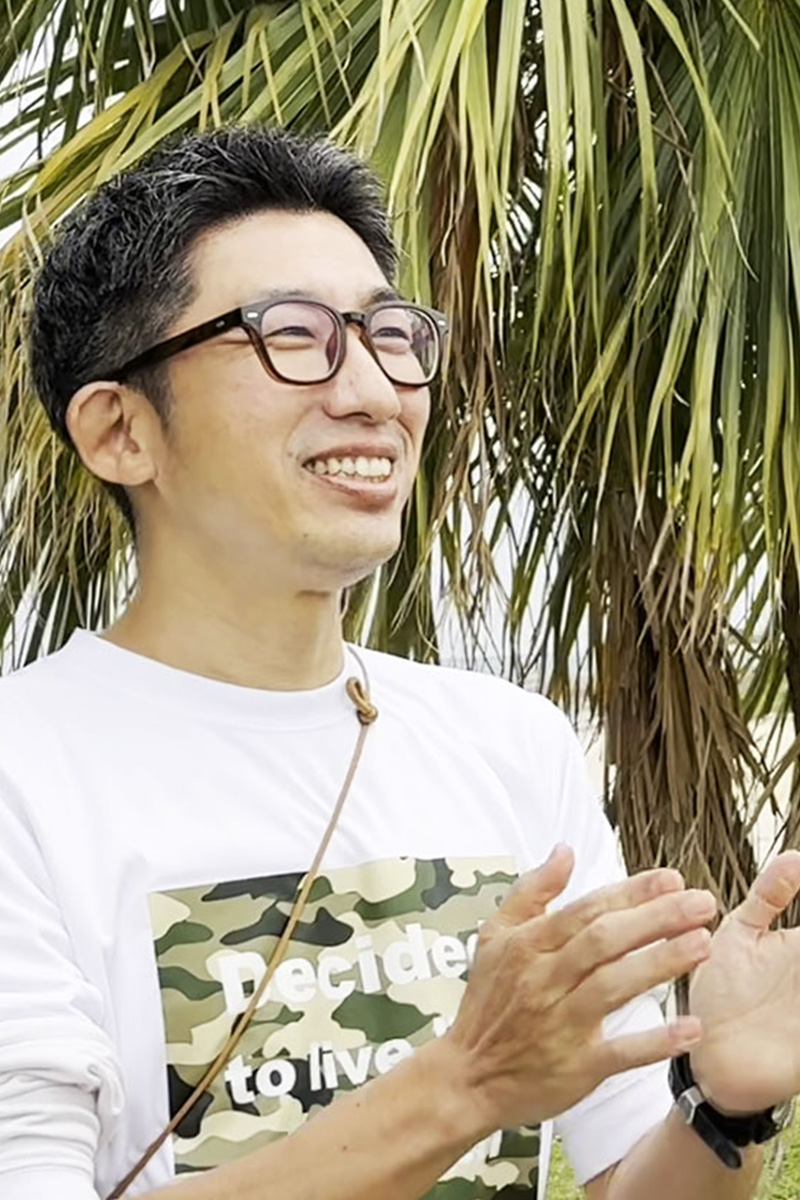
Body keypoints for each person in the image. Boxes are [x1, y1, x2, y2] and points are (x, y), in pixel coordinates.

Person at [2, 125, 798, 1200]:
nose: (375, 390)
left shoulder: (509, 742)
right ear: (120, 432)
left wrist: (722, 1103)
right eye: (292, 334)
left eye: (388, 332)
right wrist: (464, 1084)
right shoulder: (25, 771)